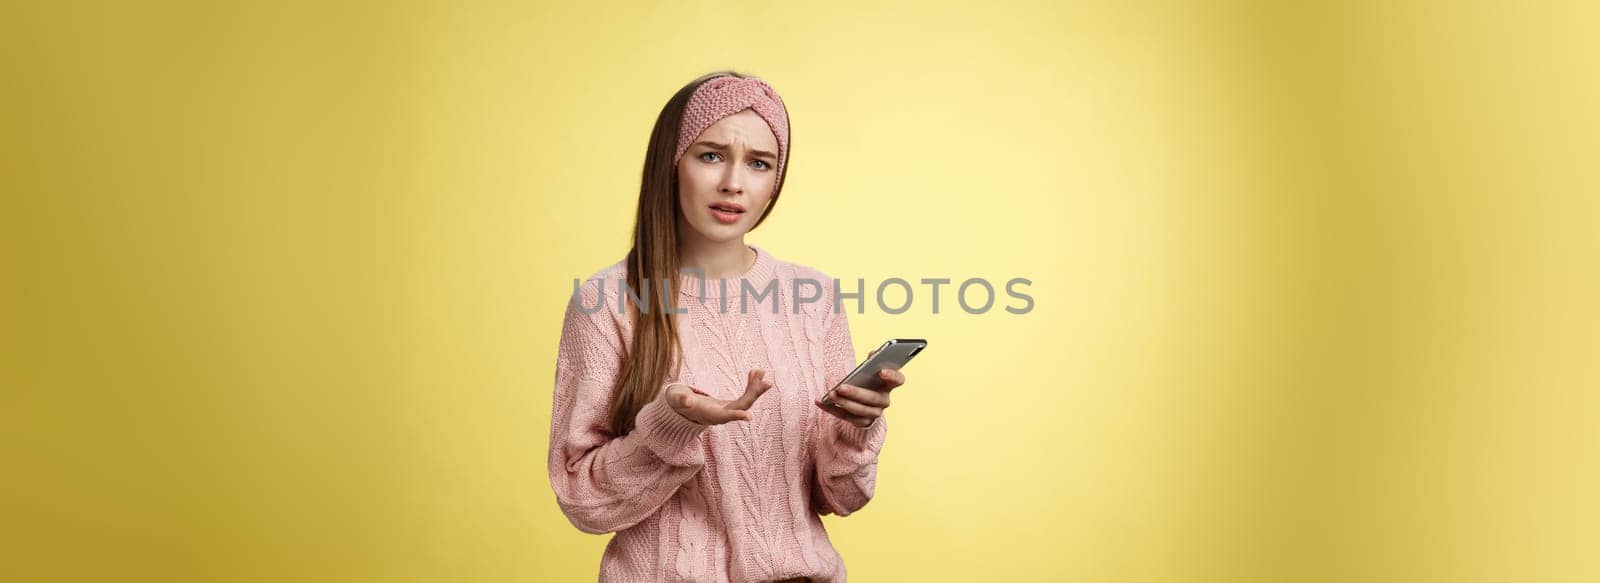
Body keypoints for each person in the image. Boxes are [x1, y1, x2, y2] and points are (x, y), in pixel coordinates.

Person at [547, 71, 906, 582]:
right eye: (711, 155)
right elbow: (583, 501)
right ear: (671, 163)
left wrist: (855, 427)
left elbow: (843, 498)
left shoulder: (815, 297)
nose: (734, 183)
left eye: (759, 163)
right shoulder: (605, 302)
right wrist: (673, 426)